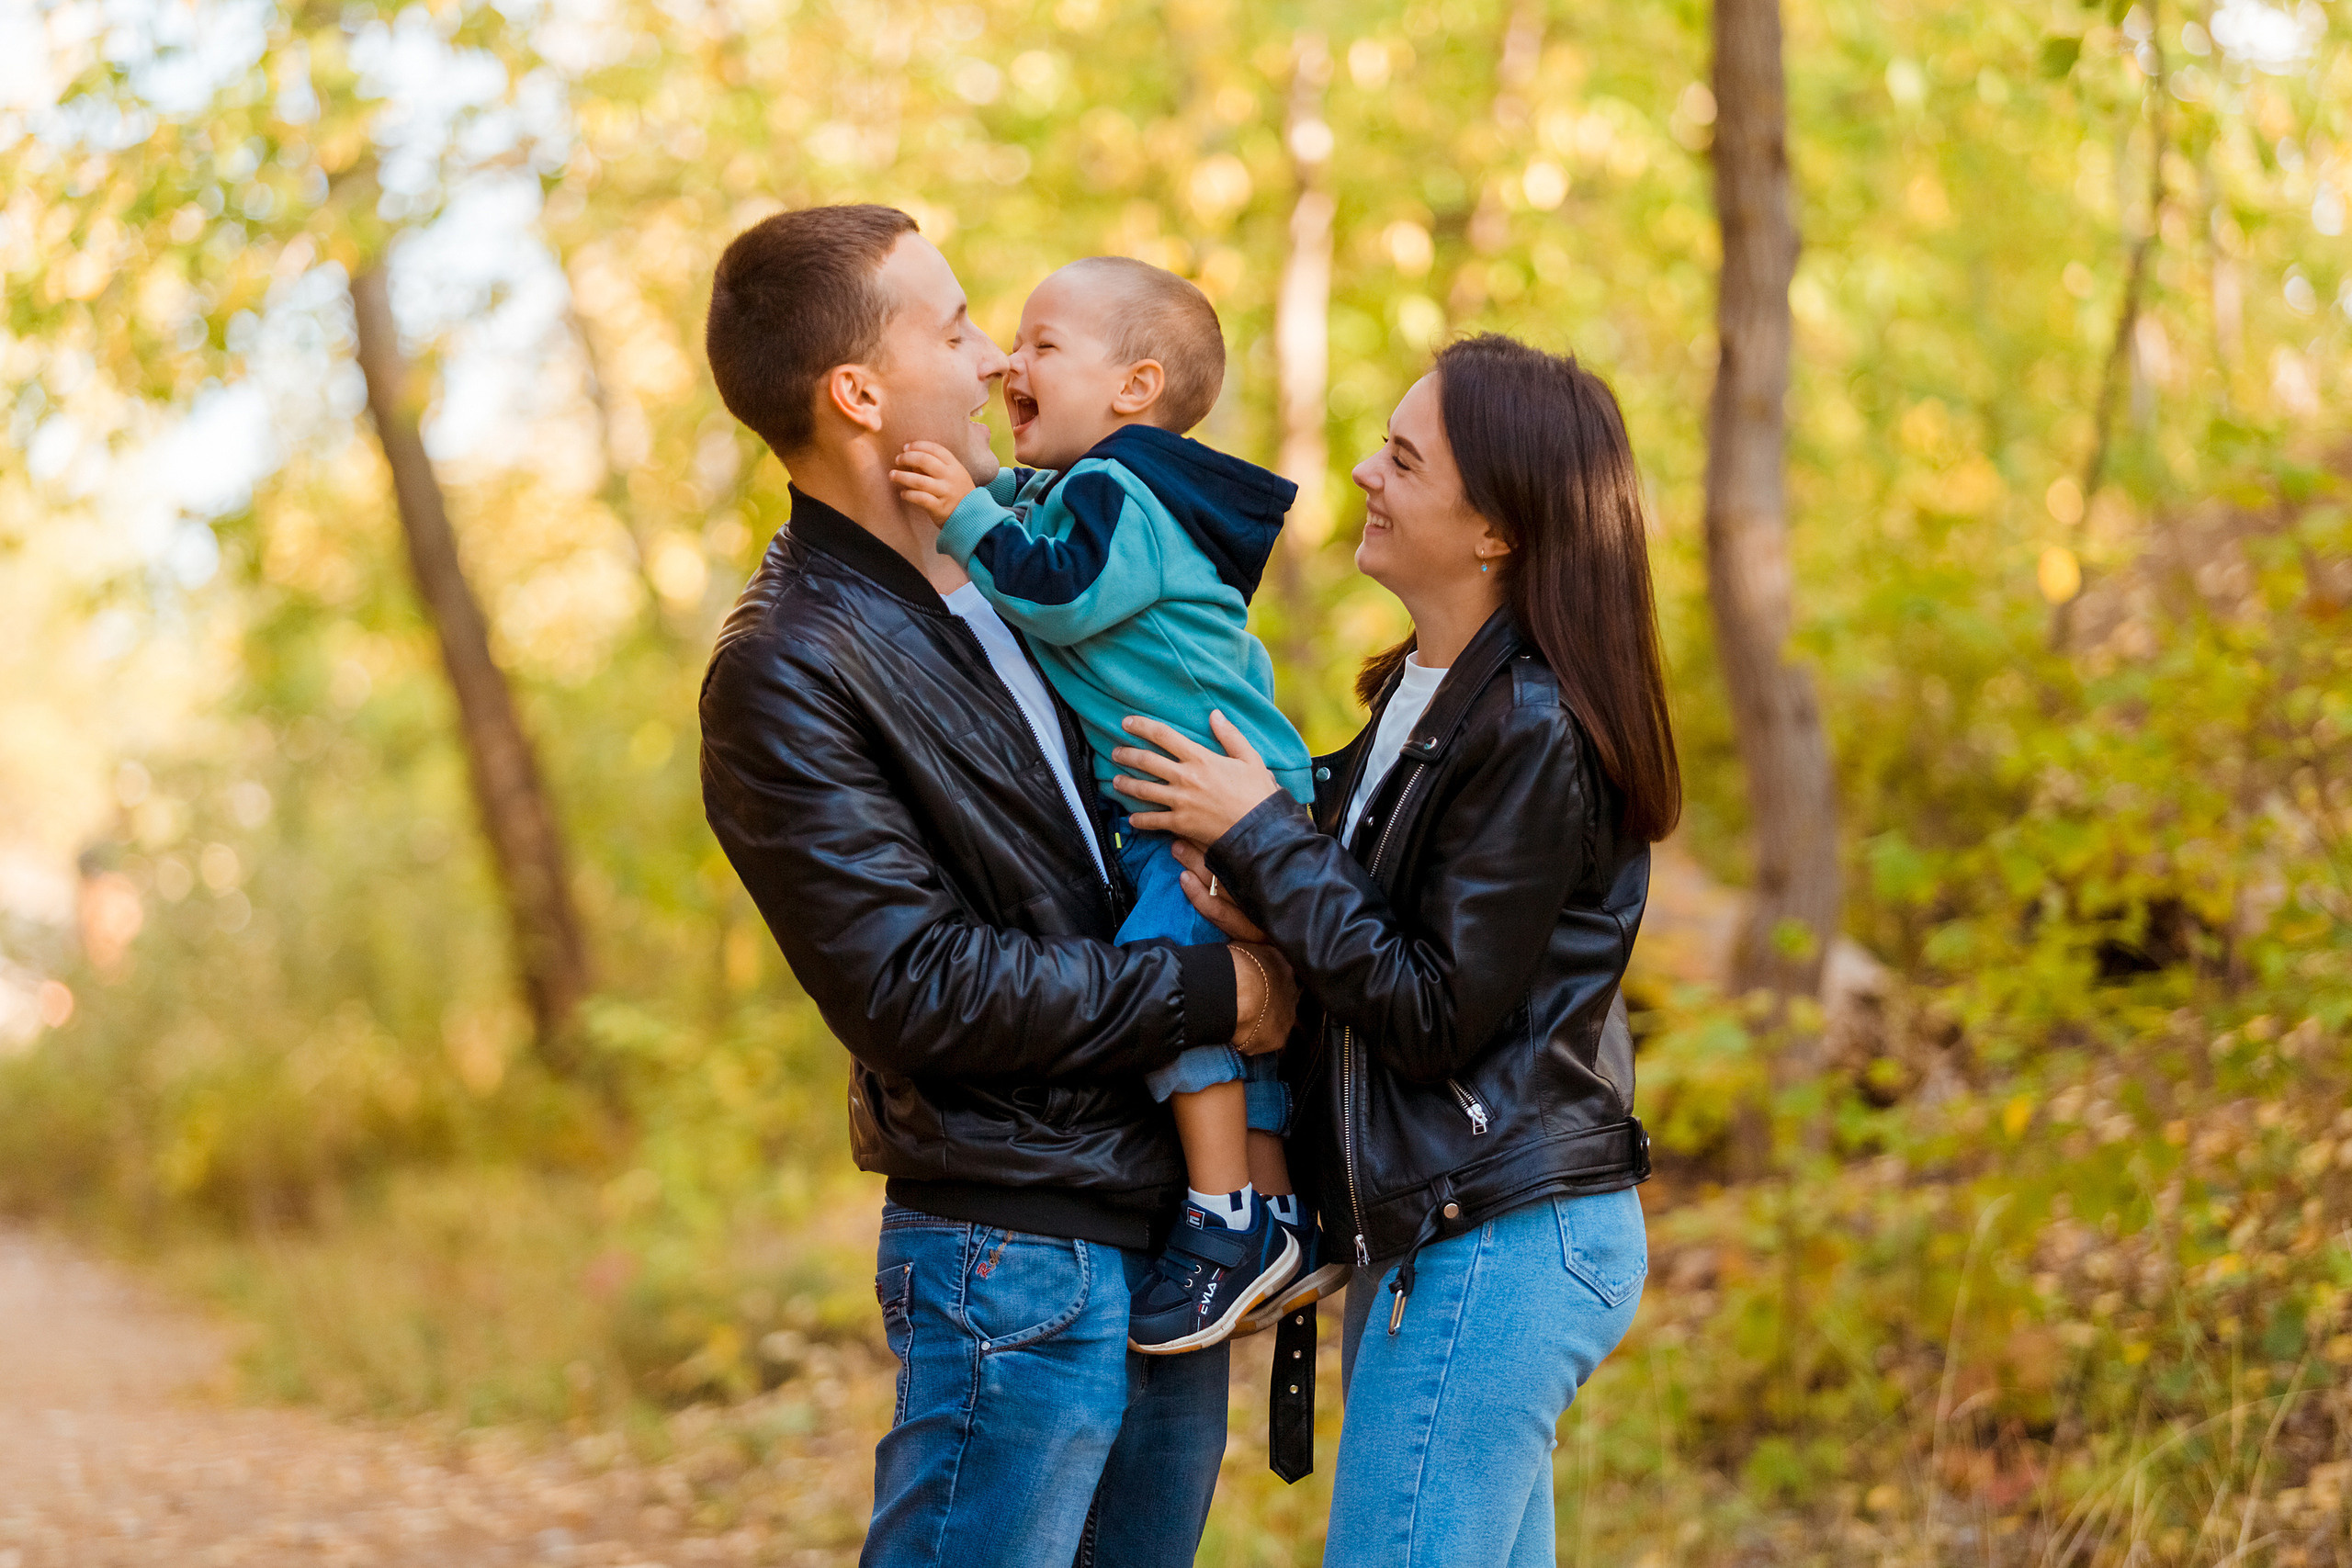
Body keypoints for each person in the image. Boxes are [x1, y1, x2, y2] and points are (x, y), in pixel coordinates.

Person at [696, 204, 1298, 1568]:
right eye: (957, 325)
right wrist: (1224, 986)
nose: (989, 362)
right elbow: (915, 988)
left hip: (1166, 1233)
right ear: (858, 392)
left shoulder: (1033, 576)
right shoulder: (788, 662)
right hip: (1012, 1252)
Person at [1109, 333, 1676, 1564]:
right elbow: (1369, 935)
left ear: (1498, 532)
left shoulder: (1531, 726)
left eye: (1406, 459)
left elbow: (1430, 1009)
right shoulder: (1416, 700)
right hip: (1443, 1231)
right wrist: (1258, 870)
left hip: (1502, 1234)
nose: (1367, 472)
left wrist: (1259, 831)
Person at [889, 255, 1347, 1355]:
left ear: (1135, 388)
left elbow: (1058, 587)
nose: (1009, 359)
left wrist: (960, 511)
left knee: (1169, 982)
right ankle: (1282, 1212)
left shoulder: (1124, 489)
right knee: (1246, 1031)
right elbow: (1037, 531)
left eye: (1043, 345)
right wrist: (986, 489)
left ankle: (1223, 1218)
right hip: (1213, 798)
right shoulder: (1098, 491)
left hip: (1208, 799)